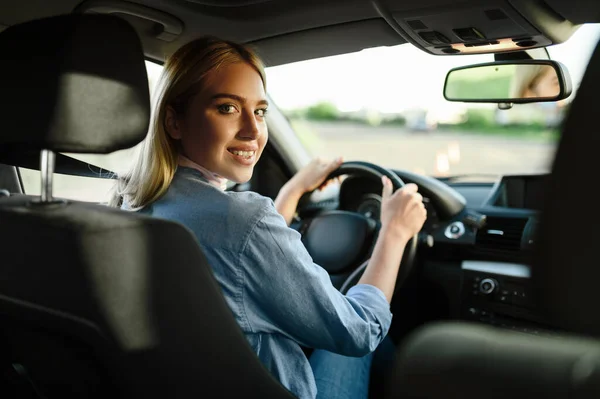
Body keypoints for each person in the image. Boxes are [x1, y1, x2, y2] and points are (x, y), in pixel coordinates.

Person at [110, 36, 426, 399]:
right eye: (227, 108)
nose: (253, 131)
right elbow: (359, 331)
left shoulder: (130, 202)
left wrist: (290, 194)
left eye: (259, 111)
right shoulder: (243, 221)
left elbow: (234, 250)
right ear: (174, 121)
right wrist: (395, 233)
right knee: (373, 341)